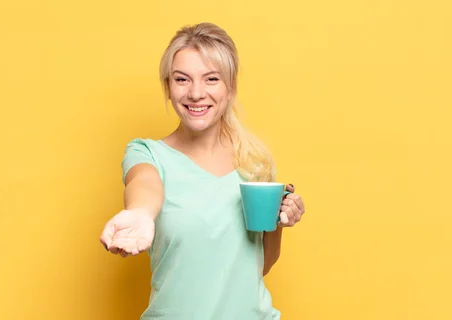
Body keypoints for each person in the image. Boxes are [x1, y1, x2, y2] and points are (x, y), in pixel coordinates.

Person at [100, 22, 306, 319]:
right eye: (182, 79)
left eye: (211, 79)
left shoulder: (256, 162)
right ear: (168, 87)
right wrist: (140, 213)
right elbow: (144, 184)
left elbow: (259, 266)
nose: (196, 93)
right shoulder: (148, 154)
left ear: (230, 87)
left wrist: (280, 221)